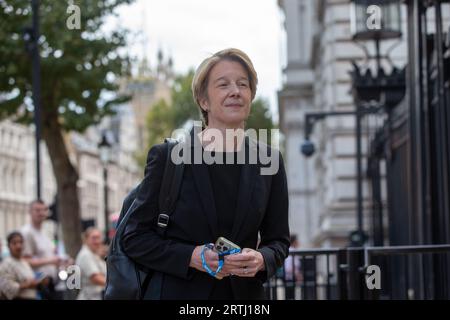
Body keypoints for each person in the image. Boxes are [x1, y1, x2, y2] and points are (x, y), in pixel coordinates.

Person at [122, 48, 290, 300]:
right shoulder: (168, 157)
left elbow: (278, 241)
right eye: (223, 85)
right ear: (203, 101)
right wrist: (192, 257)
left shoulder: (269, 159)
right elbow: (134, 237)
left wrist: (262, 259)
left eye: (242, 84)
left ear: (250, 95)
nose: (235, 91)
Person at [21, 199, 65, 299]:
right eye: (37, 210)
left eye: (44, 210)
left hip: (52, 284)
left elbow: (51, 255)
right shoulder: (27, 233)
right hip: (37, 286)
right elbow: (24, 260)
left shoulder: (46, 231)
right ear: (30, 212)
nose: (41, 213)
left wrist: (61, 260)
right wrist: (51, 261)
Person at [0, 231, 48, 300]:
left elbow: (32, 281)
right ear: (8, 245)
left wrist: (40, 282)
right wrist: (27, 285)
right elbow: (8, 289)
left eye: (20, 242)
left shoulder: (24, 263)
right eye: (14, 243)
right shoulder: (6, 264)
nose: (18, 246)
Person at [75, 227, 107, 300]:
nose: (97, 241)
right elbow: (96, 278)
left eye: (99, 238)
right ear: (86, 239)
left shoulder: (93, 254)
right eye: (94, 238)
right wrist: (117, 285)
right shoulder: (85, 255)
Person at [283, 234, 302, 300]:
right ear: (294, 242)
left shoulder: (289, 250)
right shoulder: (292, 251)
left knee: (290, 296)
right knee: (290, 296)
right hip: (290, 277)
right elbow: (288, 267)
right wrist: (297, 275)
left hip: (289, 277)